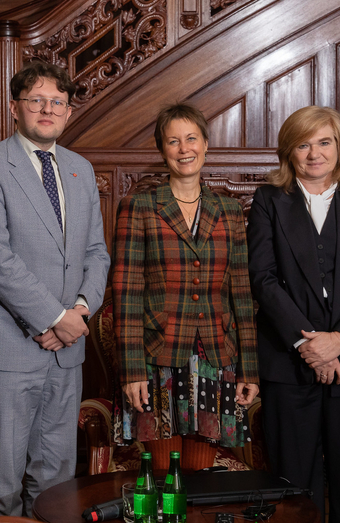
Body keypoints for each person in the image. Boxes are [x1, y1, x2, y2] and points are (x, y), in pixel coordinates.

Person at [0, 60, 110, 516]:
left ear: (68, 112)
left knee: (57, 481)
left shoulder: (80, 169)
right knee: (3, 482)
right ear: (15, 108)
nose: (47, 109)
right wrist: (54, 318)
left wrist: (80, 314)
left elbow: (95, 253)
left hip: (68, 351)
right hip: (10, 350)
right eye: (36, 100)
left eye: (57, 102)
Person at [246, 105, 340, 523]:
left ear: (339, 146)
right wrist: (308, 343)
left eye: (324, 142)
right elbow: (263, 278)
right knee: (293, 487)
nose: (315, 153)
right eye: (303, 144)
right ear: (289, 152)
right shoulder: (269, 200)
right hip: (289, 362)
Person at [112, 103, 258, 469]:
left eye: (191, 138)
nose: (184, 149)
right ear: (162, 150)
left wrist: (249, 369)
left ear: (206, 144)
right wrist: (131, 372)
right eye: (173, 141)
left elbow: (242, 293)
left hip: (216, 356)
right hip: (157, 357)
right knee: (163, 478)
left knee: (201, 474)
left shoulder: (229, 211)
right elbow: (126, 294)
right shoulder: (139, 206)